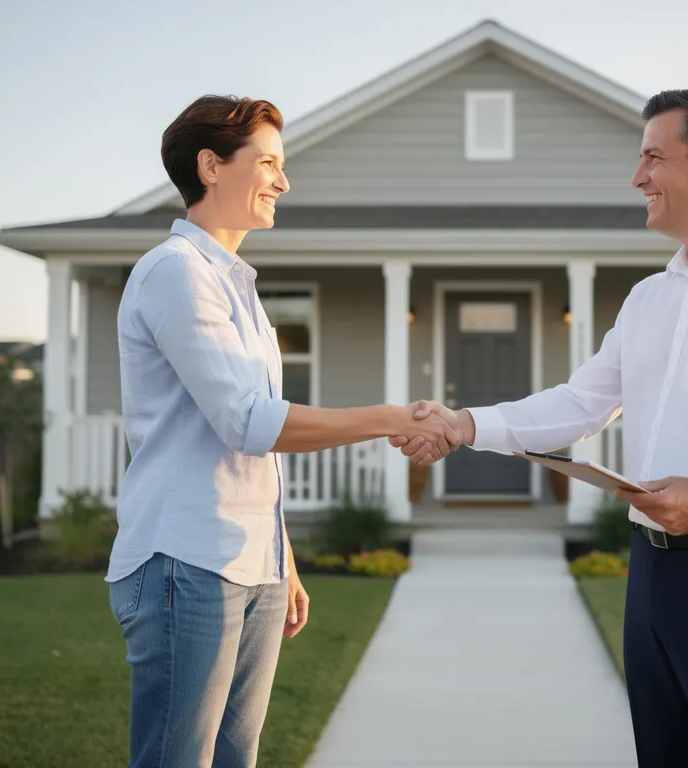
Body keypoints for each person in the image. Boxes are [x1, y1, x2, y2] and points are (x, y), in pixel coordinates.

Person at [397, 88, 688, 767]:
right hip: (653, 575)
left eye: (653, 157)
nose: (637, 177)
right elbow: (581, 403)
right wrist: (463, 424)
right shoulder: (651, 297)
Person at [106, 94, 463, 768]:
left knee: (238, 757)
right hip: (187, 560)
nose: (283, 180)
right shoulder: (175, 274)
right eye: (268, 162)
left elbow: (245, 443)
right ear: (212, 166)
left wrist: (284, 559)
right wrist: (391, 417)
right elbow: (248, 423)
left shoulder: (236, 285)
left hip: (251, 562)